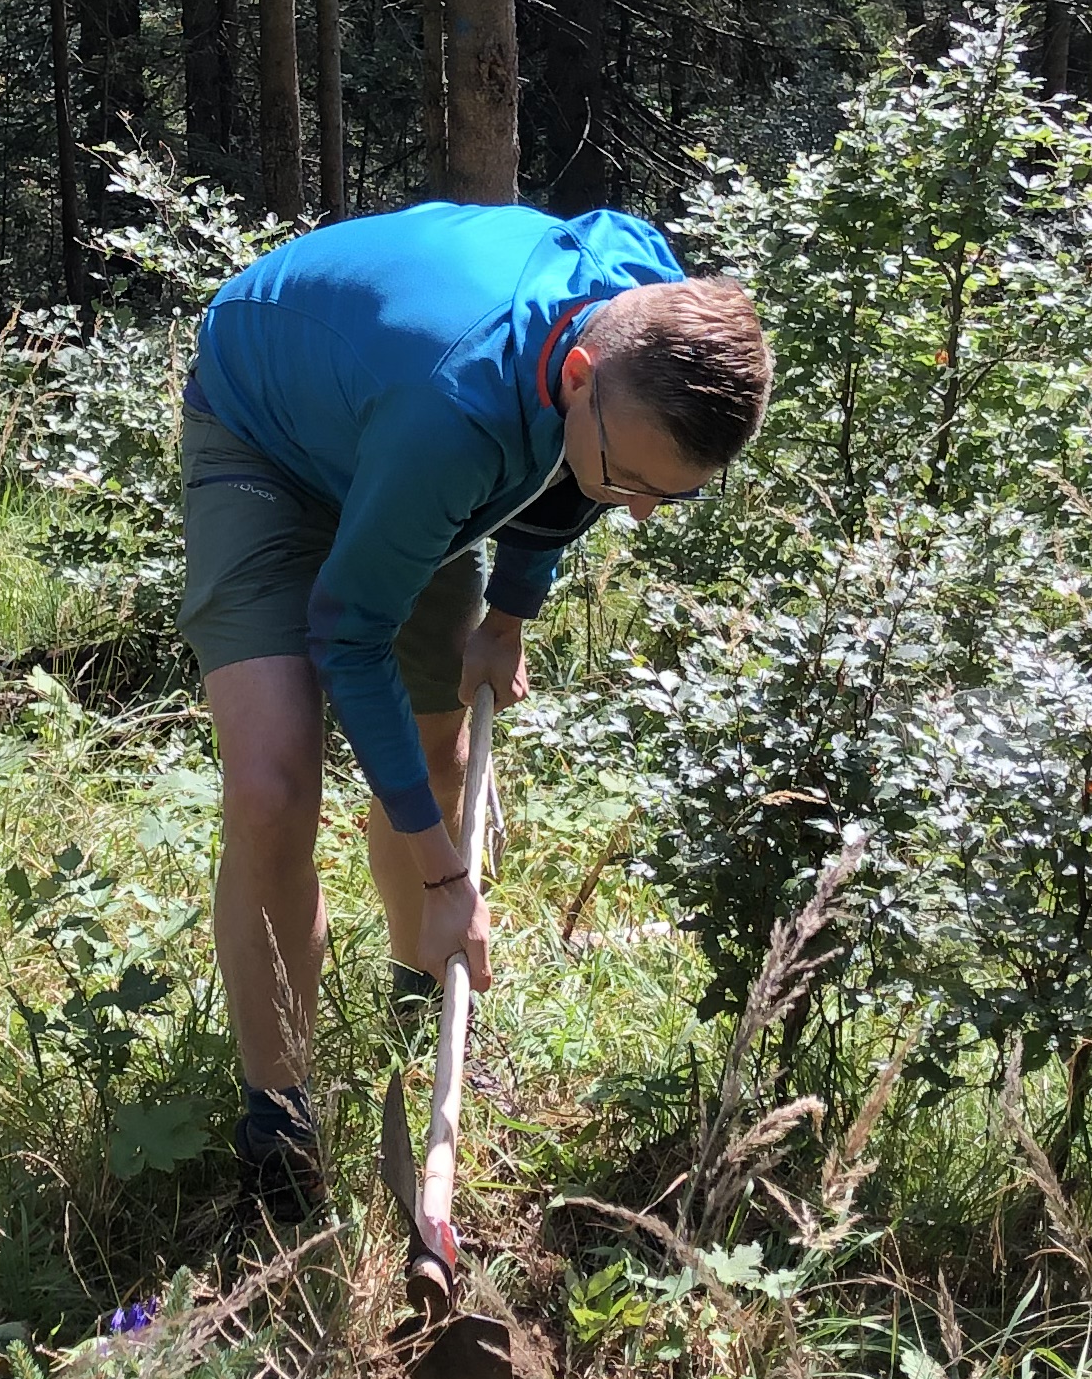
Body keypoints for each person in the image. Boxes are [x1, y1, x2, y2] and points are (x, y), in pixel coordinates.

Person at [184, 200, 773, 1216]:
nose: (635, 509)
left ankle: (423, 1014)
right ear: (579, 380)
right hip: (267, 434)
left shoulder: (647, 314)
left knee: (438, 754)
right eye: (635, 480)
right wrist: (449, 872)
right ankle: (277, 1124)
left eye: (665, 498)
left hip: (417, 428)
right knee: (275, 788)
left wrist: (507, 615)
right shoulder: (452, 412)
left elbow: (567, 473)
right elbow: (349, 636)